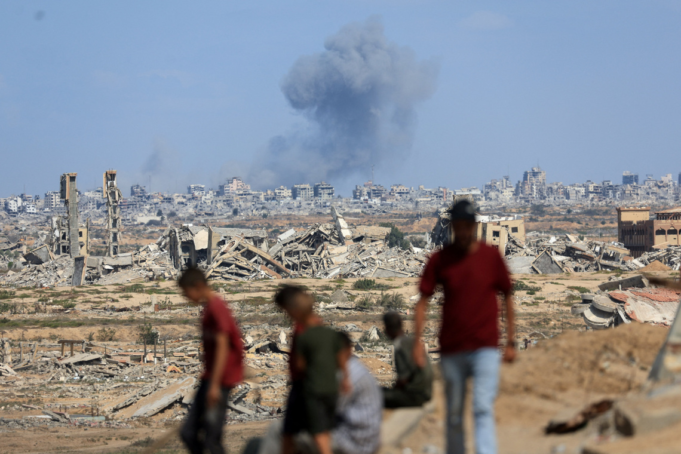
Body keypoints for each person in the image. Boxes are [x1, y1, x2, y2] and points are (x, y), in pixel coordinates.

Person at [413, 199, 516, 454]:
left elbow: (507, 295)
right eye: (458, 226)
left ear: (473, 226)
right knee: (454, 412)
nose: (462, 231)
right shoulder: (440, 260)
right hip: (452, 348)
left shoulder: (490, 257)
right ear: (453, 227)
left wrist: (511, 341)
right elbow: (423, 301)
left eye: (466, 226)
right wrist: (416, 342)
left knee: (482, 407)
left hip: (485, 346)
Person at [244, 332, 382, 454]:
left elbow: (329, 410)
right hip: (359, 436)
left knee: (278, 430)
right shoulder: (356, 369)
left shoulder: (348, 374)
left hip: (352, 440)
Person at [274, 285, 349, 454]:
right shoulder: (326, 331)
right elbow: (340, 357)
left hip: (307, 387)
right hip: (323, 386)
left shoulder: (304, 333)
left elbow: (300, 364)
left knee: (315, 435)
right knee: (303, 435)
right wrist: (344, 378)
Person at [178, 267, 244, 454]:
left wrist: (214, 386)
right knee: (189, 433)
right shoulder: (208, 309)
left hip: (219, 381)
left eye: (186, 292)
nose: (186, 297)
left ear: (198, 286)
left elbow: (223, 345)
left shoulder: (217, 308)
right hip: (210, 378)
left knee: (212, 440)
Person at [382, 311, 433, 408]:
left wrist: (393, 390)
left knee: (379, 395)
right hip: (425, 392)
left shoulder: (399, 346)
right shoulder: (411, 342)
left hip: (415, 396)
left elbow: (403, 380)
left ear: (387, 329)